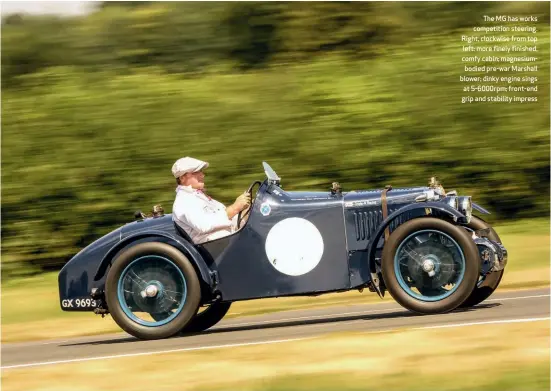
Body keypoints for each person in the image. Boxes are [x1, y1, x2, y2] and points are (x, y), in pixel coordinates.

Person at [171, 156, 251, 244]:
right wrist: (235, 208)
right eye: (196, 172)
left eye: (201, 171)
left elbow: (226, 216)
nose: (202, 175)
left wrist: (246, 209)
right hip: (217, 247)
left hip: (229, 238)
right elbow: (205, 225)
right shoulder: (183, 201)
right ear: (182, 178)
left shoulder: (197, 196)